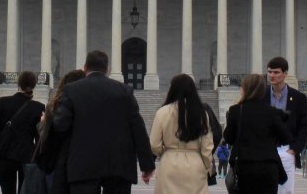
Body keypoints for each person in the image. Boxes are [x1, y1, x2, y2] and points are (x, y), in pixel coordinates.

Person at [50, 50, 155, 194]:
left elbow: (60, 126)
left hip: (83, 163)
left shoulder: (72, 90)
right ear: (107, 69)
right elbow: (138, 128)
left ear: (85, 68)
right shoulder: (124, 91)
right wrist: (147, 164)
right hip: (118, 165)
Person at [223, 74, 291, 194]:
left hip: (243, 166)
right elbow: (286, 138)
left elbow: (228, 138)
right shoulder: (272, 112)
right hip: (268, 167)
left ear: (245, 89)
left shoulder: (236, 110)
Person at [149, 74, 213, 194]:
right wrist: (208, 167)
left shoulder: (162, 112)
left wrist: (166, 152)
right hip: (195, 164)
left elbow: (154, 144)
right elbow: (207, 147)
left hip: (169, 162)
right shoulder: (202, 114)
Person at [0, 71, 45, 194]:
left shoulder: (3, 102)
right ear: (34, 85)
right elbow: (39, 136)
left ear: (19, 84)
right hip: (27, 155)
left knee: (7, 191)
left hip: (5, 154)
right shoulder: (39, 107)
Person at [36, 69, 87, 194]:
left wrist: (42, 124)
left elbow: (47, 138)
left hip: (57, 164)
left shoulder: (54, 106)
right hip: (82, 166)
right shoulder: (89, 107)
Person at [265, 57, 307, 194]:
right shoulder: (262, 95)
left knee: (286, 190)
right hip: (266, 150)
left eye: (276, 72)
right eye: (269, 72)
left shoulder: (299, 98)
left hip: (286, 150)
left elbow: (305, 126)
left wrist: (294, 149)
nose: (272, 75)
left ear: (285, 73)